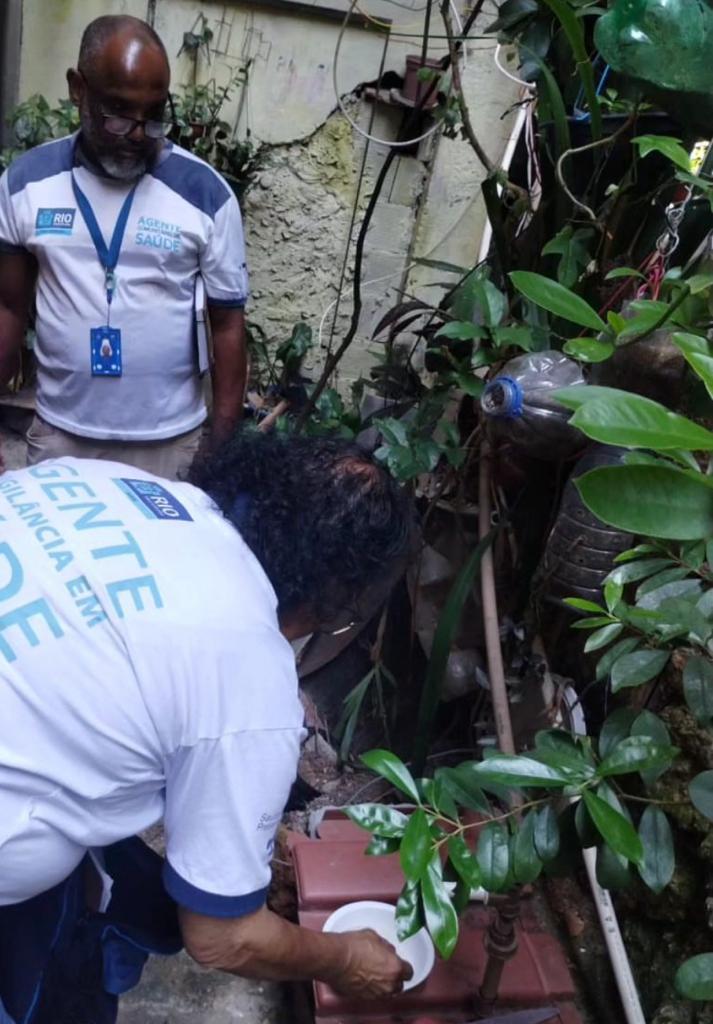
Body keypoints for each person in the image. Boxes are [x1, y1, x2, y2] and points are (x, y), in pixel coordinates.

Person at [0, 430, 414, 1023]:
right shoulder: (250, 675)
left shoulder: (114, 483)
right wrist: (346, 958)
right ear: (330, 601)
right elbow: (224, 937)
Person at [0, 15, 248, 479]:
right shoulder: (24, 184)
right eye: (118, 114)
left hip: (171, 447)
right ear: (79, 89)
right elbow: (8, 309)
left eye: (153, 116)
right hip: (61, 440)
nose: (138, 133)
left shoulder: (206, 195)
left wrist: (220, 447)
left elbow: (228, 326)